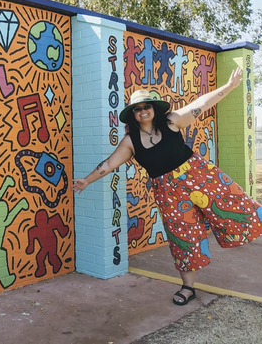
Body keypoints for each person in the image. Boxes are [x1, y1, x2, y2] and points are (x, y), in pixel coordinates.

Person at [72, 67, 261, 305]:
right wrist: (87, 180)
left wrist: (229, 87)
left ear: (154, 109)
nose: (143, 111)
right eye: (138, 109)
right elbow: (109, 163)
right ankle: (188, 287)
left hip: (198, 175)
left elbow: (201, 103)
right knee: (182, 235)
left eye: (146, 106)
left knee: (233, 201)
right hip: (168, 192)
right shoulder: (130, 141)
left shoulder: (172, 122)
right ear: (133, 114)